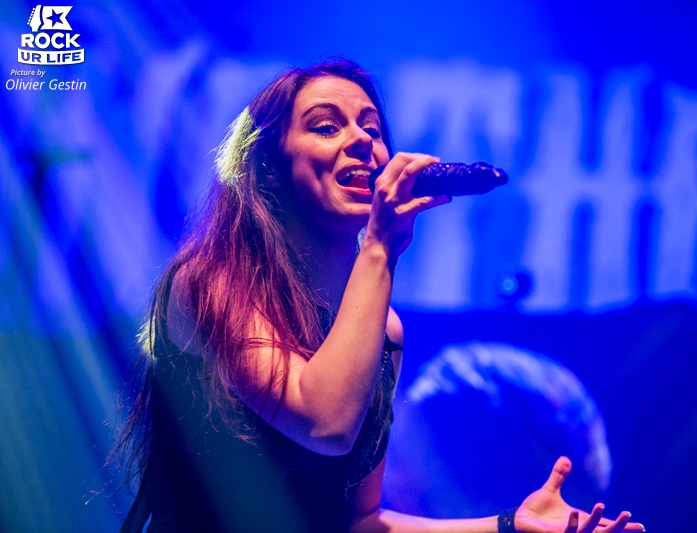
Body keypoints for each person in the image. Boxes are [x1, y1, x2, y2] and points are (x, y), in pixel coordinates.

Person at [113, 58, 645, 533]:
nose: (362, 141)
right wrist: (380, 247)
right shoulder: (208, 283)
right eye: (326, 126)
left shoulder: (383, 331)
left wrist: (509, 525)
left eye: (371, 128)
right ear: (268, 169)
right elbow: (324, 422)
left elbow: (360, 522)